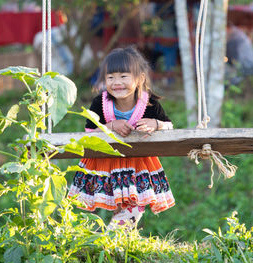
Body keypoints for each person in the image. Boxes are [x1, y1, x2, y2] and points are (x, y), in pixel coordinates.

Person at [68, 46, 175, 229]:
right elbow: (89, 133)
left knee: (134, 204)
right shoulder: (100, 103)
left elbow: (169, 126)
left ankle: (113, 237)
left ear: (140, 78)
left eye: (124, 76)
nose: (117, 82)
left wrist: (156, 124)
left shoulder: (148, 103)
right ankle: (118, 242)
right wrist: (109, 126)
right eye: (111, 77)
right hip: (107, 162)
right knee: (117, 205)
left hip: (138, 163)